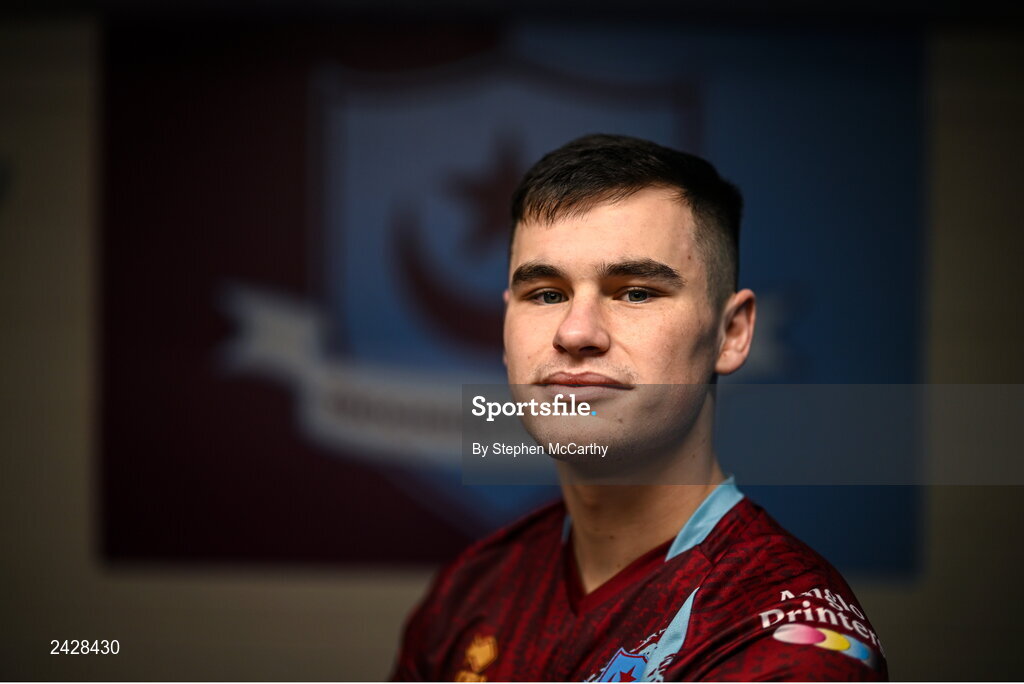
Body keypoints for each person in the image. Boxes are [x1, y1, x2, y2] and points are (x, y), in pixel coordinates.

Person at [392, 134, 887, 681]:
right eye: (546, 294)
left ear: (731, 333)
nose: (576, 332)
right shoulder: (469, 591)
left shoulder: (787, 645)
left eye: (636, 292)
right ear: (506, 326)